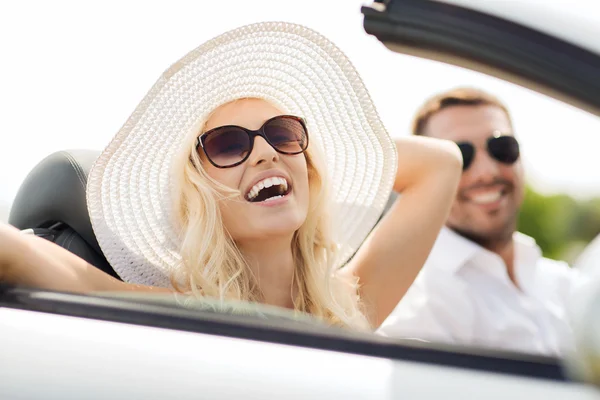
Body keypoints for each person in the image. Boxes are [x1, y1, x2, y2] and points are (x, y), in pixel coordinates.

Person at [0, 22, 462, 330]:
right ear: (199, 192)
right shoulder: (175, 310)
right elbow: (17, 255)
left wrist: (315, 156)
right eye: (228, 144)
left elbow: (444, 164)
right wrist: (296, 157)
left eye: (282, 133)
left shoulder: (347, 303)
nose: (263, 151)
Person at [378, 87, 584, 353]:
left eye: (502, 147)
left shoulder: (562, 282)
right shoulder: (422, 307)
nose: (487, 172)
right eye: (460, 156)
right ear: (430, 178)